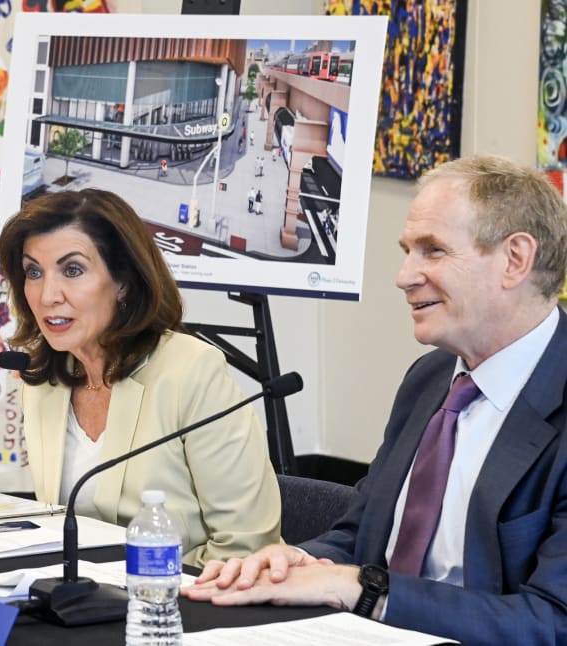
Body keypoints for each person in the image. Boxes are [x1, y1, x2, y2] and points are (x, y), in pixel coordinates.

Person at [182, 155, 567, 644]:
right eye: (407, 251)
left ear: (515, 259)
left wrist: (365, 590)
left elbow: (552, 623)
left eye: (432, 251)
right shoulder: (429, 378)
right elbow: (361, 535)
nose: (404, 276)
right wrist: (298, 562)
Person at [0, 188, 281, 567]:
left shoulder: (191, 371)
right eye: (34, 272)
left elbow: (247, 547)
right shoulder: (45, 381)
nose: (47, 295)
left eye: (72, 270)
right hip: (80, 603)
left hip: (178, 605)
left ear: (124, 282)